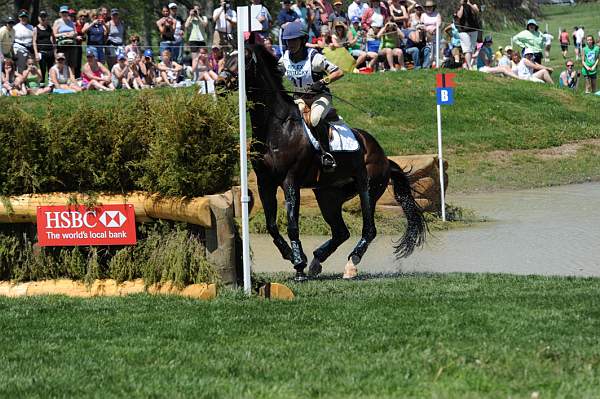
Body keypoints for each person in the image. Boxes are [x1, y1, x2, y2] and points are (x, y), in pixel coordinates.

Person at [279, 21, 344, 171]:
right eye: (288, 41)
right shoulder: (285, 59)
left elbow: (339, 72)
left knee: (314, 119)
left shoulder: (315, 58)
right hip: (299, 98)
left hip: (319, 97)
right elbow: (275, 74)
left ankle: (326, 154)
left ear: (302, 40)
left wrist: (322, 81)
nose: (291, 44)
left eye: (294, 40)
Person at [455, 0, 479, 70]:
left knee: (471, 48)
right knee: (467, 48)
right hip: (463, 30)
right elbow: (459, 16)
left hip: (473, 29)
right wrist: (462, 5)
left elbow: (476, 12)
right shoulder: (459, 6)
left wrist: (469, 4)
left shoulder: (473, 4)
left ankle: (469, 65)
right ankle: (470, 67)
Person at [53, 5, 78, 72]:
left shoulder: (71, 22)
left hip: (72, 45)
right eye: (63, 12)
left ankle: (72, 78)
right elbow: (55, 35)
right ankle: (62, 79)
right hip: (62, 46)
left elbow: (76, 33)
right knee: (62, 63)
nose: (64, 14)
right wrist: (64, 34)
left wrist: (73, 34)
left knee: (72, 64)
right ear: (60, 13)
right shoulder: (57, 22)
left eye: (66, 12)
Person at [32, 11, 54, 83]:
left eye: (44, 16)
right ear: (39, 18)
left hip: (50, 51)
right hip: (41, 52)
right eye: (41, 17)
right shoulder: (35, 28)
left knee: (50, 69)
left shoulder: (49, 28)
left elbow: (52, 39)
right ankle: (42, 84)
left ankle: (51, 84)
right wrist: (36, 53)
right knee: (42, 69)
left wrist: (54, 50)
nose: (43, 18)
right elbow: (34, 42)